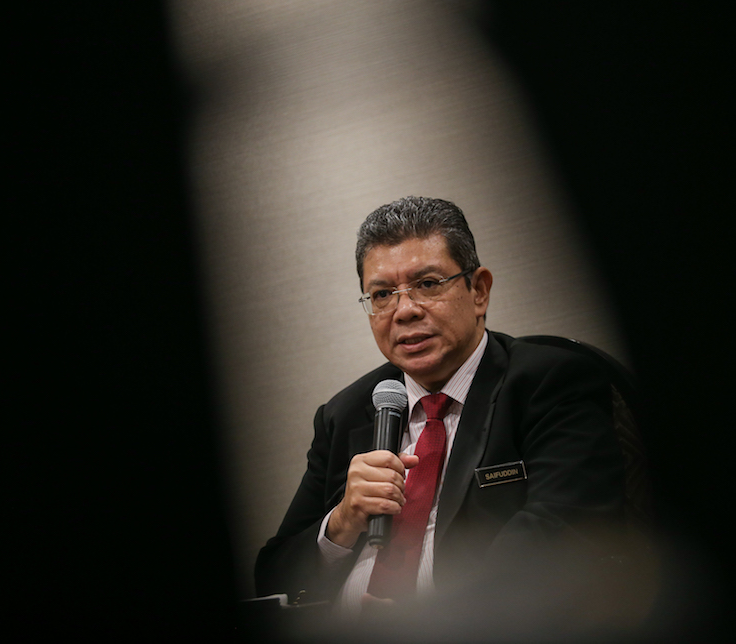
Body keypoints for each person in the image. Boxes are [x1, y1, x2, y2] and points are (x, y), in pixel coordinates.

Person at [255, 197, 629, 627]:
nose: (405, 310)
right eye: (382, 295)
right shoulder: (346, 414)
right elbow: (271, 577)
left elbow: (565, 534)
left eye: (428, 284)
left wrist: (431, 621)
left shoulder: (549, 382)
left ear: (479, 290)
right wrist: (340, 523)